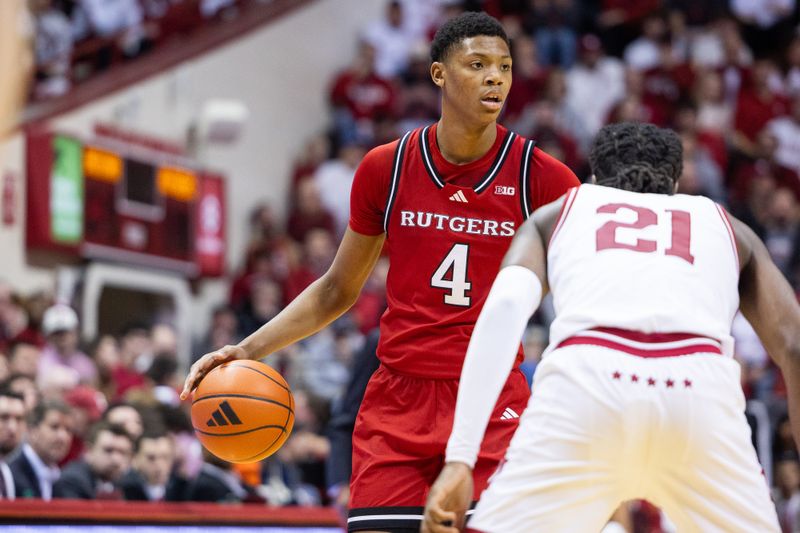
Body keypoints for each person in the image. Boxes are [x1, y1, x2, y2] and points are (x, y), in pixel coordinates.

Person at [182, 11, 579, 533]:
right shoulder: (385, 168)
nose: (494, 79)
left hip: (491, 400)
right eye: (477, 64)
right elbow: (335, 291)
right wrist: (247, 349)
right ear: (438, 74)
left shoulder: (541, 177)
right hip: (398, 401)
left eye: (503, 67)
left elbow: (585, 287)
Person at [422, 122, 794, 532]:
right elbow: (793, 344)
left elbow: (505, 307)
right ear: (675, 186)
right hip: (697, 390)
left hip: (586, 384)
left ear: (595, 179)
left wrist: (460, 458)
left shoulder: (561, 210)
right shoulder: (725, 224)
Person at [8, 400, 72, 500]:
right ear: (32, 431)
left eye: (68, 430)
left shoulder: (62, 480)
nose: (62, 437)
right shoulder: (9, 475)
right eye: (54, 427)